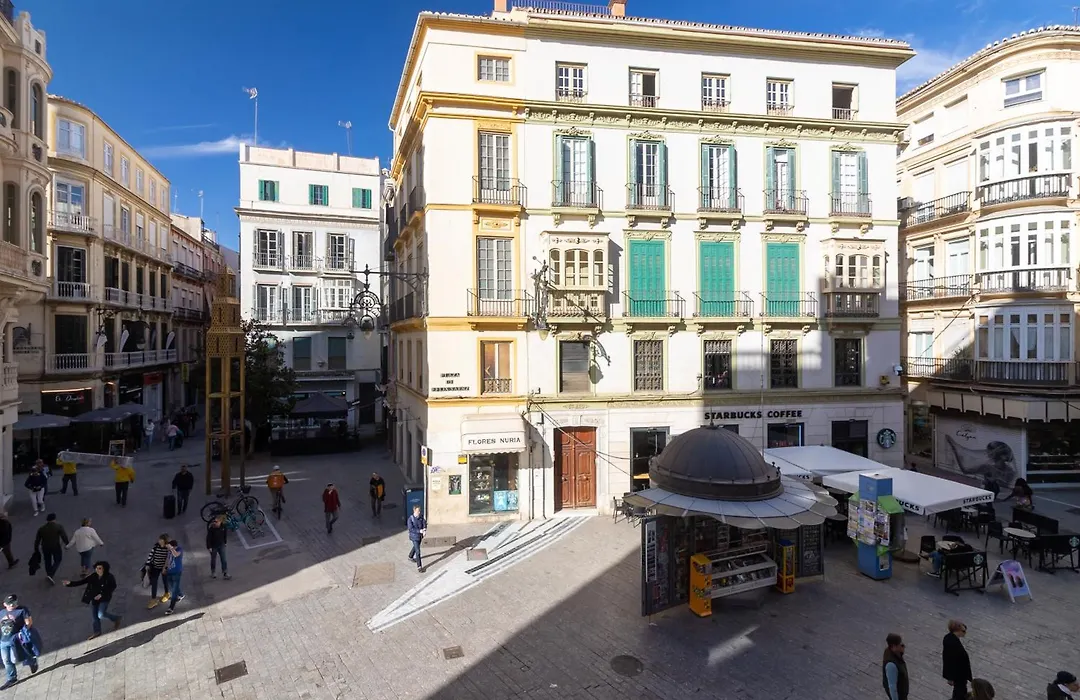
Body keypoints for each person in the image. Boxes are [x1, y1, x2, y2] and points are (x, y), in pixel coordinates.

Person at [63, 561, 121, 640]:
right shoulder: (93, 576)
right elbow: (82, 582)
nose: (97, 570)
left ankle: (116, 618)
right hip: (94, 599)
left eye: (99, 568)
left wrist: (101, 595)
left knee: (101, 614)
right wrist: (69, 583)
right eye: (96, 568)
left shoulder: (109, 577)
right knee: (95, 616)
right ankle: (97, 631)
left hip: (104, 598)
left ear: (104, 569)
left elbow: (112, 587)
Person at [0, 594, 37, 689]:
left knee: (17, 657)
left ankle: (32, 661)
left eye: (14, 602)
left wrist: (23, 632)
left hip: (16, 639)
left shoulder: (22, 610)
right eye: (10, 603)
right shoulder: (2, 613)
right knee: (6, 660)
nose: (12, 605)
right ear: (5, 604)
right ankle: (12, 678)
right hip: (4, 640)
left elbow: (29, 622)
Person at [33, 513, 68, 585]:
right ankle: (51, 574)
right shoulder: (58, 526)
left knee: (47, 561)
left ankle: (49, 574)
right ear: (54, 519)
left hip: (45, 547)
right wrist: (67, 544)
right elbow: (64, 536)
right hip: (55, 546)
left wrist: (36, 548)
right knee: (58, 559)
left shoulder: (41, 528)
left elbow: (37, 540)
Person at [942, 620, 972, 700]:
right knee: (960, 693)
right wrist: (950, 677)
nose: (965, 633)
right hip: (958, 674)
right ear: (956, 630)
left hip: (960, 674)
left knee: (959, 691)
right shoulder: (952, 644)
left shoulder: (950, 638)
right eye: (963, 631)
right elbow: (949, 661)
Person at [141, 534, 170, 609]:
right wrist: (147, 564)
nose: (159, 541)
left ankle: (167, 594)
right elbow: (150, 555)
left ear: (165, 541)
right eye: (159, 540)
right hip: (155, 567)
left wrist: (165, 568)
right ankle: (153, 600)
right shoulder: (156, 547)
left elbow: (169, 558)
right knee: (154, 583)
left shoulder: (167, 548)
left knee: (165, 581)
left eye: (161, 540)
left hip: (164, 568)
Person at [882, 632, 909, 700]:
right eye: (900, 644)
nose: (902, 646)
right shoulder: (891, 665)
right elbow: (892, 687)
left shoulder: (894, 653)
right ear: (894, 647)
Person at [206, 515, 230, 580]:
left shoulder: (223, 527)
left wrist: (225, 542)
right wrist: (209, 547)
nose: (215, 523)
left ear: (220, 522)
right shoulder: (212, 529)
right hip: (214, 546)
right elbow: (208, 538)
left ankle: (225, 572)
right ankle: (213, 572)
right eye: (214, 521)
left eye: (216, 522)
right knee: (213, 559)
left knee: (223, 559)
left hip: (221, 545)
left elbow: (225, 534)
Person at [163, 540, 184, 615]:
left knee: (174, 591)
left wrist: (171, 548)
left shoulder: (179, 549)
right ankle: (181, 594)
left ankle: (171, 608)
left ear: (173, 546)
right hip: (169, 571)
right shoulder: (169, 551)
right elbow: (167, 559)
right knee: (172, 586)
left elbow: (175, 555)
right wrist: (165, 568)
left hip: (177, 572)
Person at [407, 505, 427, 572]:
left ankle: (410, 556)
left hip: (420, 536)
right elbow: (411, 529)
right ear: (414, 510)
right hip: (414, 537)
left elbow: (424, 523)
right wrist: (419, 531)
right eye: (418, 511)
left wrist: (424, 530)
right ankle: (419, 567)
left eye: (419, 511)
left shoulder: (421, 517)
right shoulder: (410, 519)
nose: (419, 512)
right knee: (418, 551)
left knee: (415, 547)